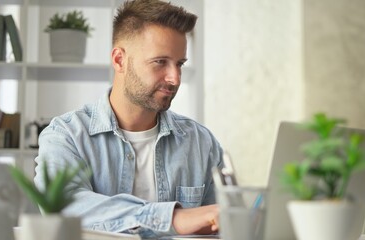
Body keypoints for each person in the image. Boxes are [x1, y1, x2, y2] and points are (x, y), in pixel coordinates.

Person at [33, 0, 223, 238]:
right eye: (160, 62)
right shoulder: (66, 136)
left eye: (180, 64)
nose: (175, 78)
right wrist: (173, 218)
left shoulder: (201, 143)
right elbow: (63, 208)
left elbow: (223, 225)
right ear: (119, 60)